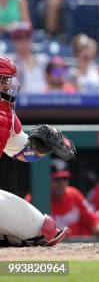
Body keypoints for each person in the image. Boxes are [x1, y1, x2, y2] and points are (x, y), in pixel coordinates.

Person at [0, 57, 71, 247]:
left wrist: (44, 146)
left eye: (8, 80)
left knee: (44, 229)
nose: (8, 86)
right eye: (3, 80)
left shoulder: (7, 117)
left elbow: (24, 152)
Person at [46, 159, 99, 237]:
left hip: (77, 246)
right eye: (56, 179)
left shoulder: (74, 194)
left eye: (65, 178)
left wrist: (98, 226)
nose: (61, 183)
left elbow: (92, 219)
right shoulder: (35, 199)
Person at [8, 24, 47, 93]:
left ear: (31, 39)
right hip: (19, 102)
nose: (24, 41)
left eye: (27, 37)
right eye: (19, 37)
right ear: (14, 41)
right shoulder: (9, 63)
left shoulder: (43, 60)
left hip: (42, 100)